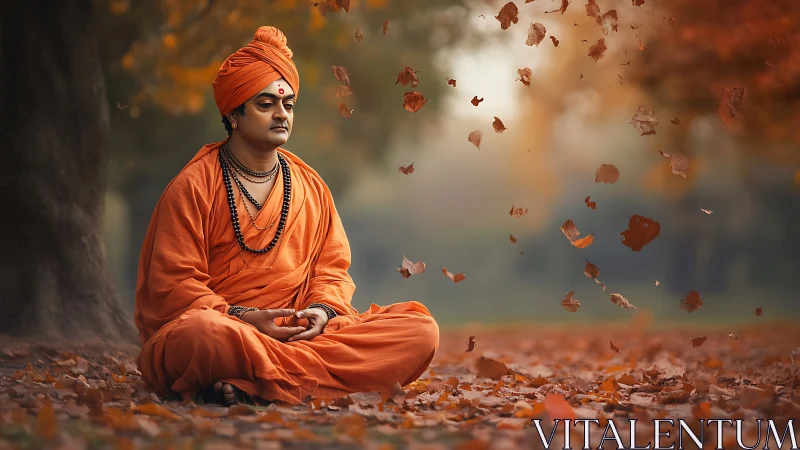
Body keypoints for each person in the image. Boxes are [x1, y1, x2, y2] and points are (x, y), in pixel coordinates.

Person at [133, 26, 439, 406]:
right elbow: (173, 287)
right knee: (198, 335)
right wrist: (243, 317)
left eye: (288, 105)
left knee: (419, 330)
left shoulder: (310, 186)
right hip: (229, 329)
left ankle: (252, 383)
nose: (281, 115)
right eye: (266, 105)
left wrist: (321, 311)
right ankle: (291, 380)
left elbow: (332, 270)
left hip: (300, 334)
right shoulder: (194, 185)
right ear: (233, 115)